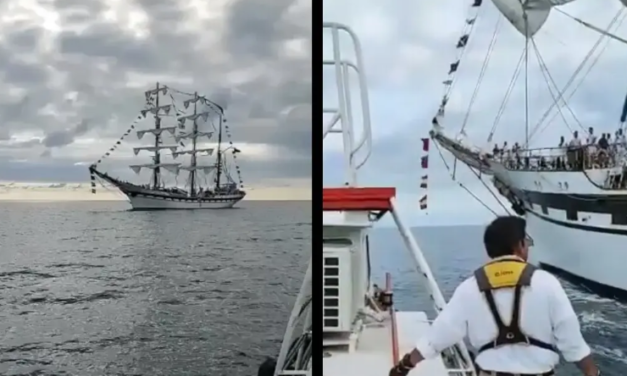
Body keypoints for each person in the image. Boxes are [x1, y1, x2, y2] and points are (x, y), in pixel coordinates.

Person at [388, 216, 599, 376]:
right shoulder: (547, 283)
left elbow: (438, 337)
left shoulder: (469, 288)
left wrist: (404, 365)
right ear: (520, 245)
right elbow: (573, 345)